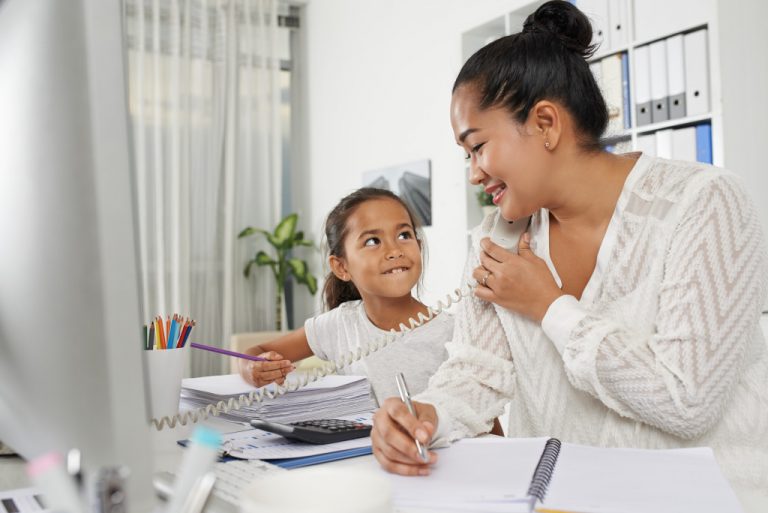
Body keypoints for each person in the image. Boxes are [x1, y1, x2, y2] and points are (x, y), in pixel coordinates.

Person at [370, 0, 768, 507]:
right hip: (560, 501)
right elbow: (476, 374)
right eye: (465, 155)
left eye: (477, 146)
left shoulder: (705, 204)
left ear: (544, 124)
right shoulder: (497, 240)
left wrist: (550, 307)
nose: (472, 172)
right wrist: (429, 415)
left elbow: (687, 398)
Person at [238, 187, 454, 406]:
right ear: (341, 267)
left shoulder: (452, 333)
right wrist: (252, 369)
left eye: (404, 235)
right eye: (372, 241)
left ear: (419, 246)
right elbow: (257, 352)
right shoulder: (340, 324)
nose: (395, 250)